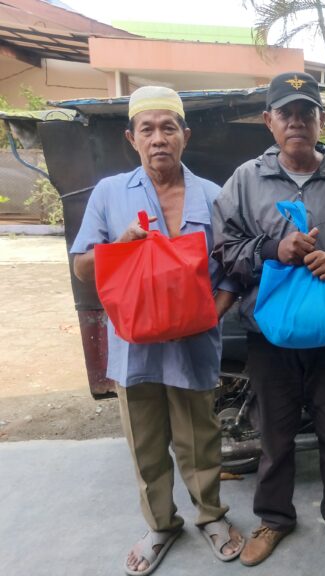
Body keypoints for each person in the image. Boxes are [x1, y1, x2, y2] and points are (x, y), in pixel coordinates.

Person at [71, 86, 243, 576]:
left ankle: (210, 515)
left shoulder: (213, 195)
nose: (158, 138)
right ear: (132, 138)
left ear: (185, 135)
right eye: (147, 129)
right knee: (145, 443)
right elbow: (82, 266)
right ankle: (161, 525)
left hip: (193, 343)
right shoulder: (109, 194)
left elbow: (232, 272)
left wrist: (211, 315)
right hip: (134, 347)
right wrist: (120, 248)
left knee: (199, 438)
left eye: (169, 128)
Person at [211, 72, 325, 569]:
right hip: (271, 335)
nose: (297, 122)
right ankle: (274, 519)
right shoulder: (247, 179)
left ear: (321, 120)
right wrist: (272, 250)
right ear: (269, 121)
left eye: (307, 112)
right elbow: (224, 248)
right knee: (275, 437)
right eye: (286, 113)